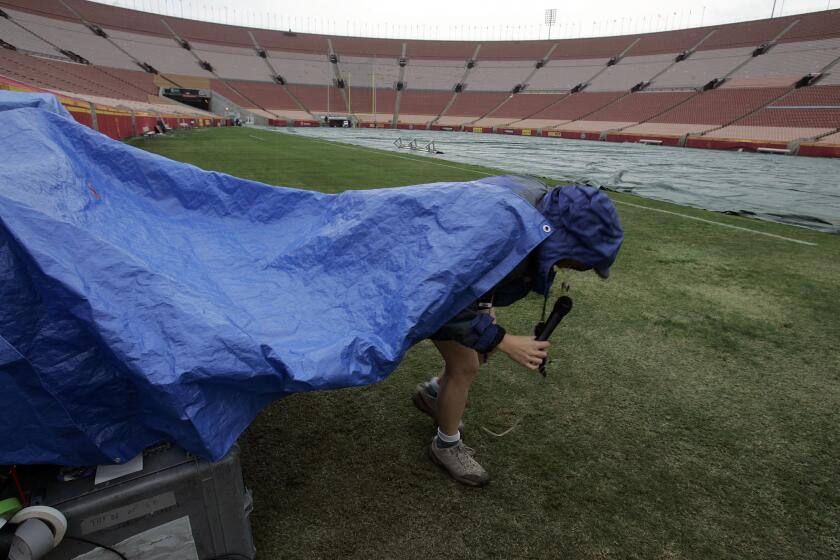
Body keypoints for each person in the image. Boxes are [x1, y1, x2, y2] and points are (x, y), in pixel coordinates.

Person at [412, 178, 624, 486]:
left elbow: (482, 271)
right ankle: (445, 446)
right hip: (431, 283)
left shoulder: (534, 215)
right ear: (566, 239)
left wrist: (485, 308)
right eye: (582, 261)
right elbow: (444, 296)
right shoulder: (511, 229)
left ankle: (433, 395)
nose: (580, 268)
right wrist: (503, 341)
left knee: (477, 351)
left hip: (449, 285)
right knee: (465, 364)